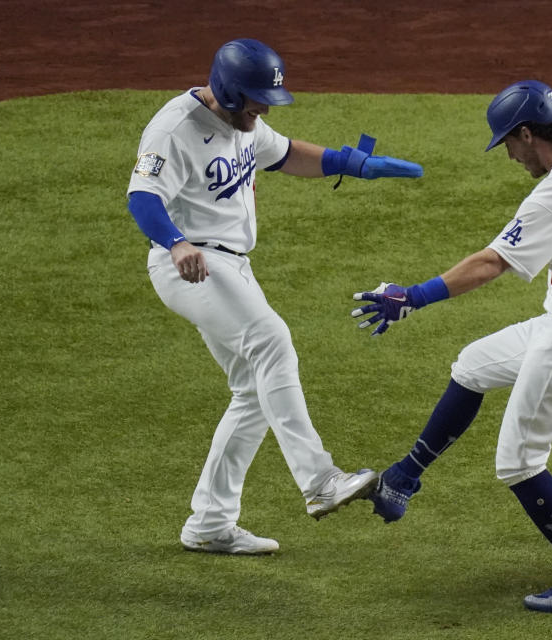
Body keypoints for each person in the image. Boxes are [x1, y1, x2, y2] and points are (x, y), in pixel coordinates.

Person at [350, 80, 552, 612]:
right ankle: (402, 480)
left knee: (518, 460)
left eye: (507, 142)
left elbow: (492, 263)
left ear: (528, 133)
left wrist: (412, 297)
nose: (508, 154)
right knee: (473, 365)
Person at [126, 38, 423, 555]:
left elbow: (284, 155)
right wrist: (176, 242)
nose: (263, 108)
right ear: (227, 91)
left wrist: (350, 164)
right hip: (188, 266)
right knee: (272, 342)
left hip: (233, 266)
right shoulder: (174, 129)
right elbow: (142, 197)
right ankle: (320, 481)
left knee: (253, 391)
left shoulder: (244, 121)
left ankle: (210, 523)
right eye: (257, 99)